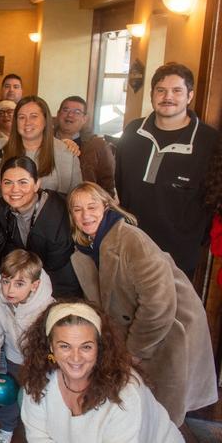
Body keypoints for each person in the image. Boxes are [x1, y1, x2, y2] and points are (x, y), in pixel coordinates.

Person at [67, 182, 218, 425]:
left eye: (92, 207)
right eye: (77, 209)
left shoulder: (131, 239)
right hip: (134, 334)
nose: (86, 215)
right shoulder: (85, 250)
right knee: (136, 410)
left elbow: (158, 304)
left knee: (162, 415)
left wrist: (133, 352)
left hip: (168, 330)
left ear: (107, 207)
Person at [19, 300, 183, 442]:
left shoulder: (126, 394)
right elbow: (38, 437)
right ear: (50, 347)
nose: (76, 358)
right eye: (64, 346)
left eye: (86, 347)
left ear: (100, 347)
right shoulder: (38, 381)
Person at [115, 62, 219, 277]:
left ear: (189, 96)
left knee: (171, 310)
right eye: (160, 90)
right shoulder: (134, 131)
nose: (167, 97)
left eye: (177, 91)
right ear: (152, 94)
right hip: (131, 245)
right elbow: (121, 183)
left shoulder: (210, 141)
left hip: (177, 256)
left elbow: (213, 196)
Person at [0, 250, 54, 443]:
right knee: (10, 397)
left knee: (37, 398)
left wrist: (48, 368)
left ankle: (41, 434)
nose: (10, 290)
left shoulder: (48, 308)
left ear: (34, 286)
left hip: (41, 363)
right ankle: (6, 430)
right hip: (13, 358)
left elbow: (53, 347)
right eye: (5, 281)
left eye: (19, 284)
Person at [0, 156, 81, 298]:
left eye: (23, 182)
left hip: (61, 290)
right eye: (8, 183)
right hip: (28, 284)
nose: (14, 189)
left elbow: (61, 274)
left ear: (37, 184)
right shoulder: (4, 210)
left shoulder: (57, 217)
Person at [2, 96, 82, 195]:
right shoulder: (1, 151)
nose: (27, 122)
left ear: (45, 120)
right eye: (22, 117)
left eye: (34, 116)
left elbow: (76, 197)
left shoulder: (67, 152)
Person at [54, 96, 116, 196]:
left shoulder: (98, 145)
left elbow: (108, 185)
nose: (70, 115)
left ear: (85, 119)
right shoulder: (43, 140)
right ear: (58, 114)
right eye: (65, 110)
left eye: (77, 112)